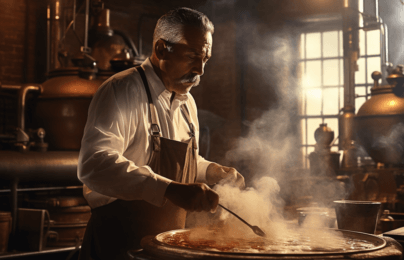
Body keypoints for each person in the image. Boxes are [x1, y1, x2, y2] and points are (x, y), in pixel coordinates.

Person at [77, 7, 244, 260]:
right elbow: (94, 164)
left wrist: (211, 171)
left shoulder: (187, 103)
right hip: (118, 246)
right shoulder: (121, 90)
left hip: (166, 250)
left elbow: (183, 164)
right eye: (192, 56)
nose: (200, 69)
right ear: (160, 49)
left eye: (205, 59)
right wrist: (169, 190)